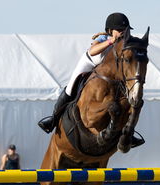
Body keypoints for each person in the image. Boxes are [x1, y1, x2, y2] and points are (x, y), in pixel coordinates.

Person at [38, 13, 144, 148]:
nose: (124, 33)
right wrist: (110, 41)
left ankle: (128, 132)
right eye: (120, 30)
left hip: (109, 73)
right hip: (89, 63)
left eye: (126, 30)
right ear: (111, 31)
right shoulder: (103, 38)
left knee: (127, 96)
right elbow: (93, 51)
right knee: (71, 87)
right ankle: (53, 119)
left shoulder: (126, 42)